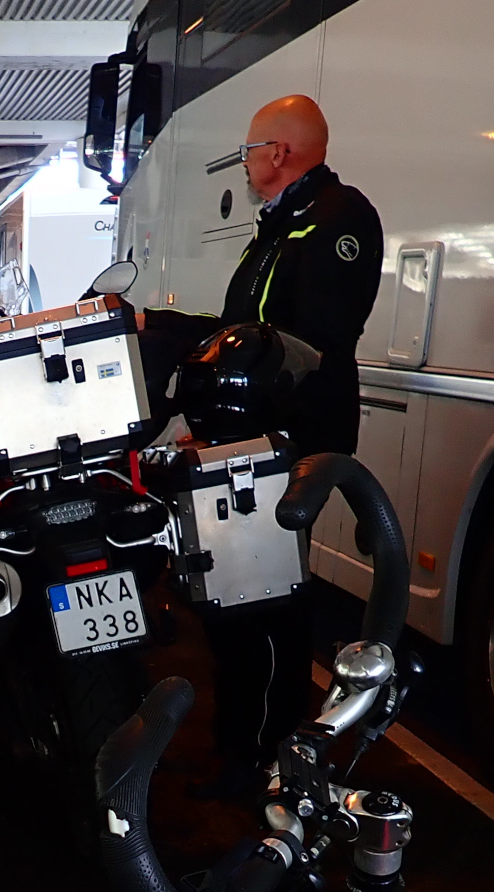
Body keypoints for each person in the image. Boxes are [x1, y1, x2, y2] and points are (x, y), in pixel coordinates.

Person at [186, 95, 383, 794]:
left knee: (270, 602)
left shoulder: (338, 220)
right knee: (237, 596)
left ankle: (271, 755)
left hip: (288, 442)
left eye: (248, 149)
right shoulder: (279, 226)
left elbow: (315, 342)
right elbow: (246, 326)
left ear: (279, 153)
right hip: (248, 439)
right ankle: (239, 745)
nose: (243, 163)